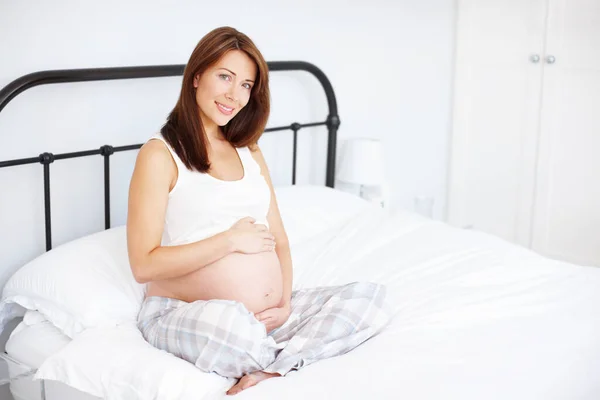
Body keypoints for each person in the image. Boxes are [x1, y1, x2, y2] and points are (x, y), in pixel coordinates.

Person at [127, 26, 390, 396]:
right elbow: (144, 265)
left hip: (266, 319)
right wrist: (229, 241)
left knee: (369, 299)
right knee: (232, 327)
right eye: (225, 77)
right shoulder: (160, 155)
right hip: (185, 312)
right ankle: (288, 358)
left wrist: (283, 303)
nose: (234, 96)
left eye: (247, 85)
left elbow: (278, 238)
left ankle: (273, 367)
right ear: (197, 75)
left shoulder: (248, 149)